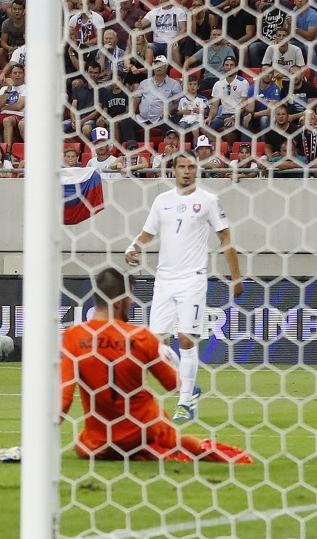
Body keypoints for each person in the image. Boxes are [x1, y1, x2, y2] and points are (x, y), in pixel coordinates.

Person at [60, 267, 252, 463]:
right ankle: (203, 450)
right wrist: (170, 361)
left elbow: (64, 399)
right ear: (118, 303)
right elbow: (172, 384)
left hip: (99, 443)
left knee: (82, 445)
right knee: (175, 442)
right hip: (144, 432)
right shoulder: (141, 337)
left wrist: (36, 443)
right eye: (129, 298)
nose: (131, 302)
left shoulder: (73, 337)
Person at [124, 152, 244, 421]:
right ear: (173, 171)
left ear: (197, 171)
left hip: (193, 279)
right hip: (164, 279)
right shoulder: (162, 201)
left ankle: (185, 401)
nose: (187, 171)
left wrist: (236, 277)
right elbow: (148, 232)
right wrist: (134, 248)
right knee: (157, 346)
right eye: (182, 167)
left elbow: (225, 237)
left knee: (187, 340)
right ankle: (189, 387)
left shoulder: (209, 201)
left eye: (191, 167)